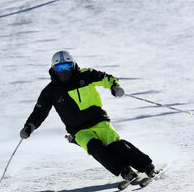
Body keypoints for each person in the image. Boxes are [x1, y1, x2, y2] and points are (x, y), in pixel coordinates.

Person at [20, 50, 158, 181]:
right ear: (53, 69)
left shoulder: (85, 75)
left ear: (73, 65)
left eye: (67, 66)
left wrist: (114, 87)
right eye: (60, 68)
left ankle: (147, 166)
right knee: (95, 147)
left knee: (115, 144)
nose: (64, 72)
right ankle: (124, 170)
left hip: (98, 120)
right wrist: (29, 126)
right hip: (78, 130)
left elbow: (106, 78)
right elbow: (40, 111)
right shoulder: (50, 91)